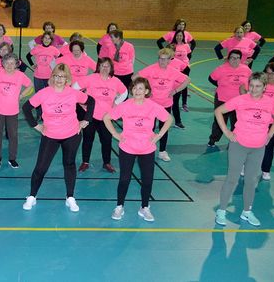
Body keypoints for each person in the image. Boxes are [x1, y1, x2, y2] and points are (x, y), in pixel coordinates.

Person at [22, 64, 95, 212]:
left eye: (62, 76)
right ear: (52, 77)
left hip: (71, 135)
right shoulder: (44, 93)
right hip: (50, 136)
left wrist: (86, 120)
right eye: (56, 76)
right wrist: (36, 126)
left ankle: (70, 197)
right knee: (41, 167)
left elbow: (91, 101)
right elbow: (26, 108)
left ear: (67, 79)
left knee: (69, 164)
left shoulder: (73, 93)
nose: (59, 79)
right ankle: (32, 196)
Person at [214, 72, 274, 227]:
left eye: (258, 86)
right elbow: (218, 111)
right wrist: (227, 132)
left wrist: (270, 135)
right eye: (251, 85)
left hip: (258, 148)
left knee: (251, 181)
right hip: (239, 145)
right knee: (232, 178)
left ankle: (247, 211)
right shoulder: (241, 99)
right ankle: (221, 211)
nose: (253, 89)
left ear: (264, 87)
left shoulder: (270, 102)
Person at [104, 77, 172, 222]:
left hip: (147, 148)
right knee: (124, 179)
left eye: (140, 88)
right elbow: (106, 118)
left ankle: (145, 207)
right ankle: (119, 206)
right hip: (127, 147)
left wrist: (159, 135)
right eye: (134, 88)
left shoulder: (153, 106)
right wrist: (115, 134)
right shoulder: (125, 105)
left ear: (146, 91)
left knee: (147, 180)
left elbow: (169, 119)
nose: (137, 91)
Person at [135, 48, 190, 161]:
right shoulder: (151, 69)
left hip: (165, 105)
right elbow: (134, 78)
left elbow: (187, 80)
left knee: (163, 128)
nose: (162, 61)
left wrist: (175, 91)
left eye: (165, 59)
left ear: (170, 60)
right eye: (160, 59)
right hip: (151, 104)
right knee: (148, 128)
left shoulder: (173, 71)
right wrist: (145, 91)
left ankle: (162, 151)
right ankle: (144, 149)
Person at [76, 58, 128, 173]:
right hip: (91, 116)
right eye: (102, 66)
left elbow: (125, 93)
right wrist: (81, 102)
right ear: (98, 67)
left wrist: (116, 103)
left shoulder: (115, 81)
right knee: (88, 139)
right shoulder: (91, 78)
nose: (105, 68)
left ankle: (107, 163)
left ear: (111, 68)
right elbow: (74, 88)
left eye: (107, 66)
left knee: (106, 140)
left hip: (106, 118)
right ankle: (85, 162)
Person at [0, 53, 32, 168]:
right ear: (3, 64)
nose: (9, 65)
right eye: (7, 63)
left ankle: (12, 158)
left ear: (16, 65)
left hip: (13, 111)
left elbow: (30, 85)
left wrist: (21, 95)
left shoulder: (20, 75)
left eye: (12, 63)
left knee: (13, 135)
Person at [207, 50, 252, 149]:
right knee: (219, 121)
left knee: (236, 122)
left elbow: (250, 82)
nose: (235, 60)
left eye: (237, 58)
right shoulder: (221, 69)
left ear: (241, 59)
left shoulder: (246, 69)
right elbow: (211, 78)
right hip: (222, 99)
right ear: (228, 58)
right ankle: (213, 140)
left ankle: (234, 141)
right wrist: (221, 85)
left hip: (239, 101)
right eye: (232, 58)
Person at [170, 29, 192, 113]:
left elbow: (189, 55)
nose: (179, 37)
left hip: (185, 67)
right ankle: (172, 102)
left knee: (184, 85)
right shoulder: (172, 45)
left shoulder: (186, 46)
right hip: (175, 68)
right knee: (173, 84)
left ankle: (184, 103)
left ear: (183, 37)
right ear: (175, 36)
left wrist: (185, 63)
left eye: (181, 36)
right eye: (177, 35)